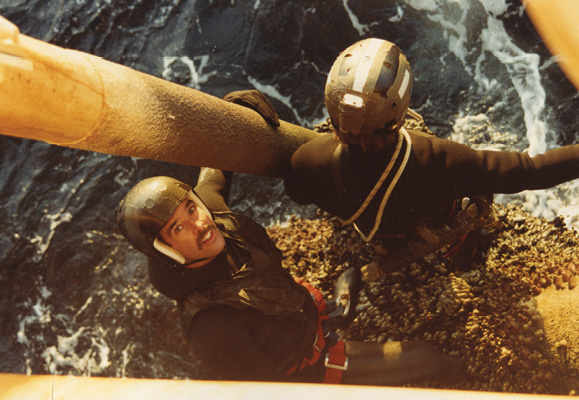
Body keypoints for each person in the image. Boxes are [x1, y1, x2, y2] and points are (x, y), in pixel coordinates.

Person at [116, 166, 466, 385]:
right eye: (179, 227)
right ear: (165, 251)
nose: (201, 224)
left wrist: (238, 104)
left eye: (191, 207)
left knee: (352, 280)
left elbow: (215, 171)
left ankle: (333, 313)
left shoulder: (216, 219)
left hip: (305, 316)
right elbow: (273, 394)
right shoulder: (212, 329)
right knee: (428, 358)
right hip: (313, 367)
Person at [283, 38, 579, 281]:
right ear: (399, 110)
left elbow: (297, 194)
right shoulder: (438, 159)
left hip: (378, 233)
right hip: (429, 222)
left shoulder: (306, 161)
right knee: (479, 188)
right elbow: (529, 171)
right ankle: (466, 252)